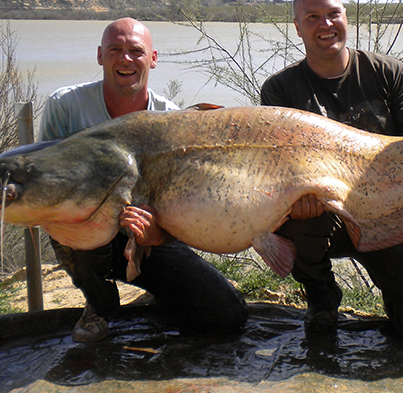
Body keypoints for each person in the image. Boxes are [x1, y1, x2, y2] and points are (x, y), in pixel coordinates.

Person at [260, 0, 403, 347]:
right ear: (297, 27)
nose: (326, 24)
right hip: (320, 216)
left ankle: (399, 298)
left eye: (333, 14)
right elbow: (278, 172)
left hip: (387, 211)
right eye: (313, 17)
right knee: (301, 211)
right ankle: (320, 292)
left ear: (346, 17)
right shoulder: (279, 90)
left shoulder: (389, 74)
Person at [39, 17, 247, 342]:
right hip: (87, 234)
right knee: (67, 220)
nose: (125, 59)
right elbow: (46, 186)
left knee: (227, 312)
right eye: (115, 49)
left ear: (152, 58)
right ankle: (99, 303)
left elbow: (184, 205)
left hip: (147, 237)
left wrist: (158, 234)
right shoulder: (65, 107)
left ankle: (158, 291)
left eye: (136, 51)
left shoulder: (173, 119)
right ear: (99, 55)